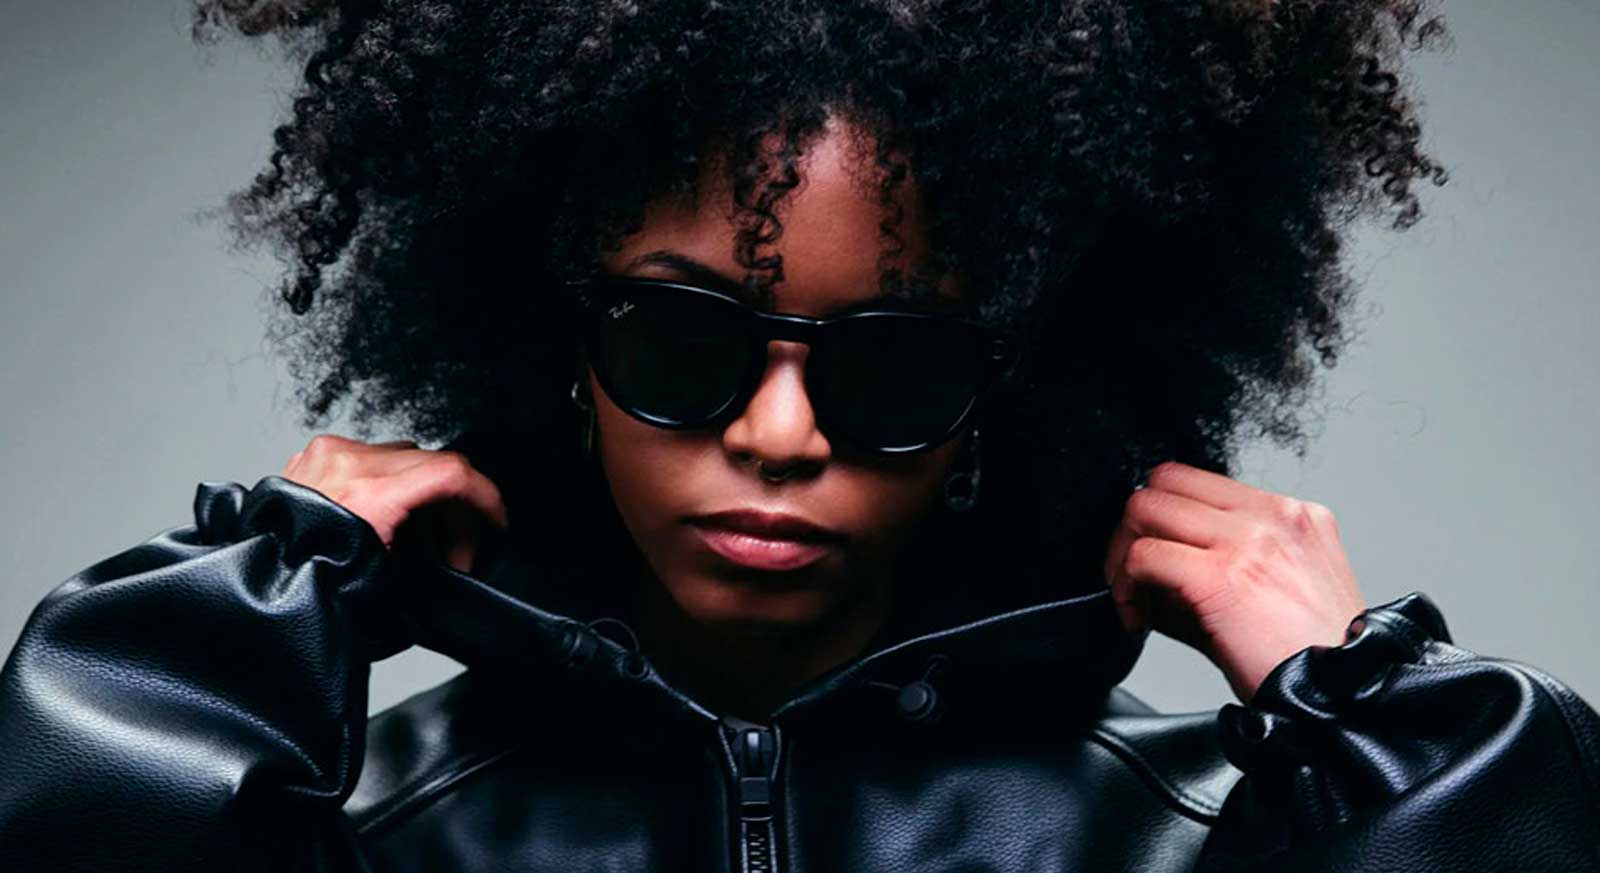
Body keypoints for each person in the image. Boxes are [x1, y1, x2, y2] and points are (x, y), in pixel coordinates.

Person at [0, 0, 1595, 870]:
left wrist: (1375, 713)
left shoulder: (1197, 840)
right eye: (681, 341)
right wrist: (258, 594)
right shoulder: (372, 832)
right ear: (563, 354)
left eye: (890, 367)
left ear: (998, 401)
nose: (777, 432)